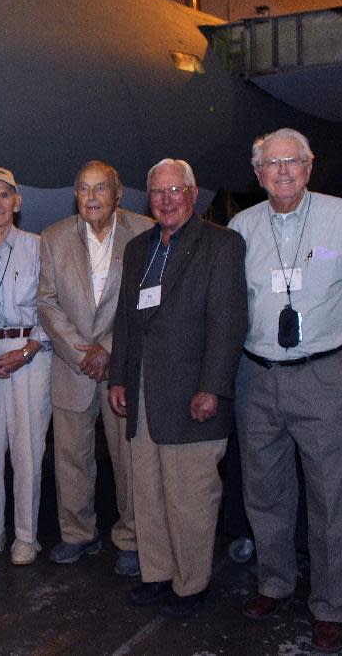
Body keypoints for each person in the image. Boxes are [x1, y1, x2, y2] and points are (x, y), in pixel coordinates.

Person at [227, 128, 342, 653]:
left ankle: (331, 604)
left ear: (310, 168)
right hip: (256, 376)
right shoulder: (242, 226)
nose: (282, 171)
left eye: (292, 162)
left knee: (330, 496)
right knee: (265, 491)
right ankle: (275, 582)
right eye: (271, 164)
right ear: (257, 173)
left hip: (326, 375)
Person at [107, 159, 247, 618]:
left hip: (192, 396)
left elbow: (227, 323)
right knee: (147, 491)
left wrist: (213, 388)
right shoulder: (138, 249)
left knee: (190, 497)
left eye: (175, 191)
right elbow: (127, 322)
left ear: (192, 194)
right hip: (144, 394)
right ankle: (159, 574)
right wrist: (120, 378)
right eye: (158, 193)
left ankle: (191, 586)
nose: (166, 200)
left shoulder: (221, 245)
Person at [37, 160, 153, 571]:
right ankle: (76, 534)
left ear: (118, 194)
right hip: (73, 366)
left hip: (122, 366)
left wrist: (107, 349)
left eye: (100, 188)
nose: (91, 197)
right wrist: (81, 351)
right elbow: (46, 301)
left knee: (129, 457)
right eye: (84, 189)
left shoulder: (143, 231)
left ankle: (132, 539)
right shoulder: (52, 238)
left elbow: (146, 302)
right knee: (70, 457)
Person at [0, 167, 52, 566]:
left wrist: (28, 349)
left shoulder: (39, 247)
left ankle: (26, 535)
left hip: (30, 352)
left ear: (17, 203)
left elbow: (51, 306)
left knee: (27, 449)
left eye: (5, 195)